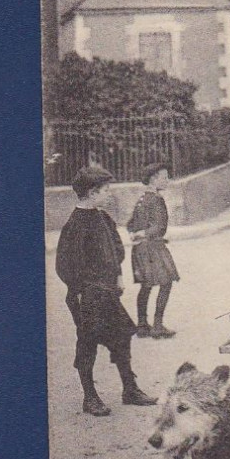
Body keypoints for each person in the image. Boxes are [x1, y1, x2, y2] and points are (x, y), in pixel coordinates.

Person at [56, 166, 157, 417]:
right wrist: (80, 291)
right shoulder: (75, 225)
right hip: (87, 295)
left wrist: (119, 276)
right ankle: (89, 397)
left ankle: (130, 389)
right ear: (91, 192)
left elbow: (115, 249)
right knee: (88, 342)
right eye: (105, 190)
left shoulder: (102, 218)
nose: (109, 194)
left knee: (122, 334)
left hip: (108, 291)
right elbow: (65, 266)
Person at [127, 162, 180, 339]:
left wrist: (136, 234)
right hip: (153, 247)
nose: (167, 181)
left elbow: (130, 224)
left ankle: (142, 325)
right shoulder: (157, 199)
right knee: (167, 282)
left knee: (146, 285)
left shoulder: (142, 199)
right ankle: (157, 325)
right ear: (153, 179)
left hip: (139, 249)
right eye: (164, 177)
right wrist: (145, 233)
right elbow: (160, 228)